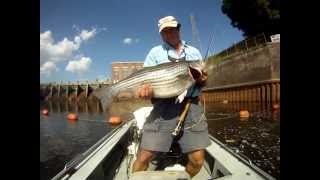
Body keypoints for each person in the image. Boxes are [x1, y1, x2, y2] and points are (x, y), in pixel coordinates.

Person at [132, 15, 211, 177]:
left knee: (197, 160)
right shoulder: (155, 53)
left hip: (192, 106)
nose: (170, 33)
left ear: (178, 29)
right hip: (163, 109)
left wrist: (202, 79)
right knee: (144, 156)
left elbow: (201, 80)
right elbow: (144, 83)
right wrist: (143, 92)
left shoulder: (194, 52)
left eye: (172, 29)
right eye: (165, 31)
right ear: (161, 34)